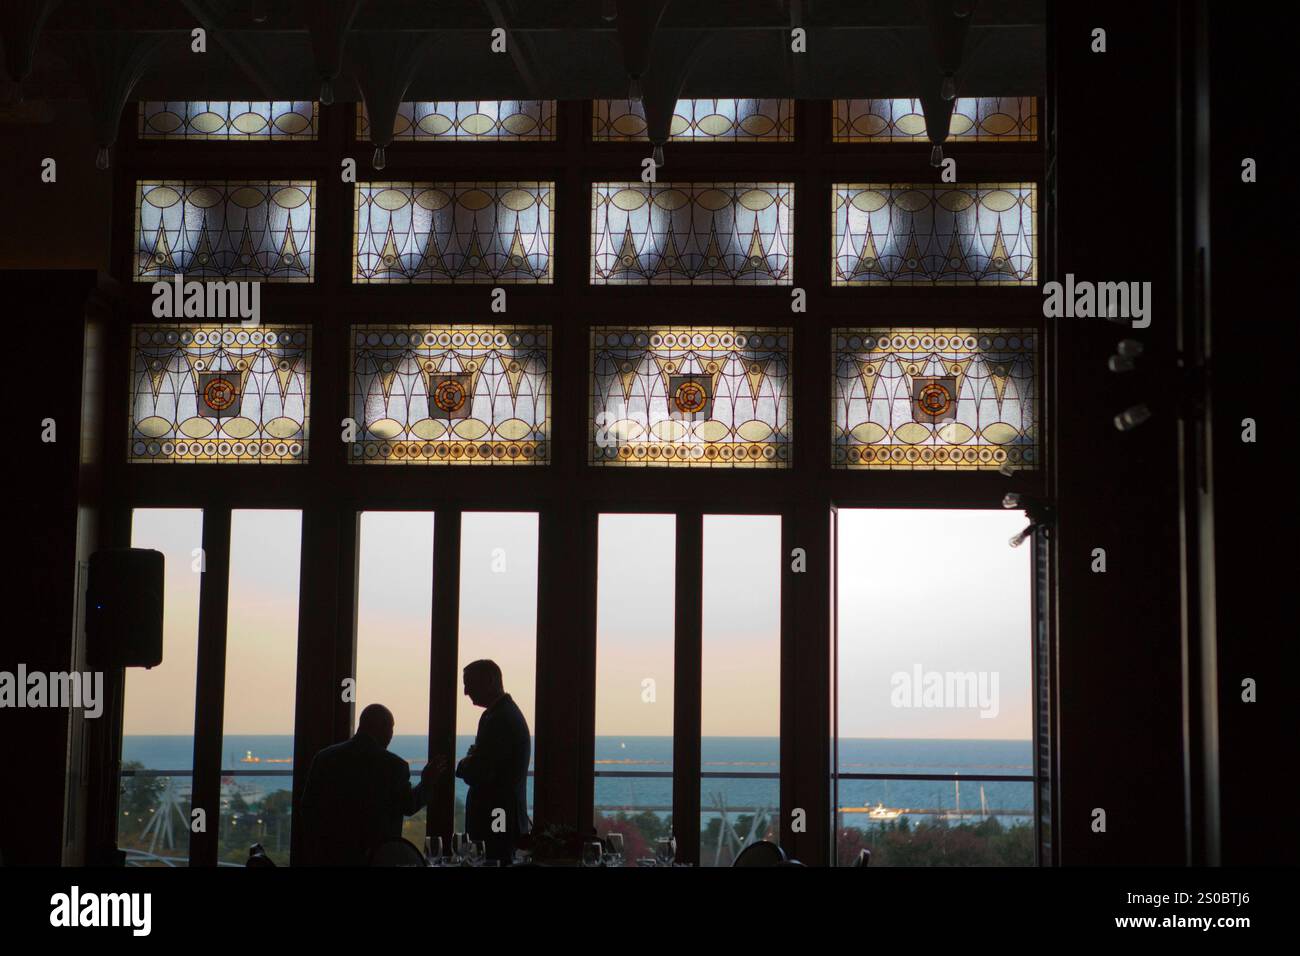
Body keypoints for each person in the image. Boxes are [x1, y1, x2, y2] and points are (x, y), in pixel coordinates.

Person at [299, 703, 444, 865]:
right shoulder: (394, 766)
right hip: (377, 857)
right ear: (382, 728)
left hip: (328, 855)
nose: (391, 736)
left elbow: (308, 808)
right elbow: (408, 805)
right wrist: (427, 783)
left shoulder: (324, 758)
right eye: (391, 729)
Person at [447, 660, 531, 865]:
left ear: (490, 681)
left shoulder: (498, 719)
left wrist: (464, 764)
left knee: (493, 860)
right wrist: (473, 759)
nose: (466, 691)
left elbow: (478, 771)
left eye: (470, 683)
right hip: (502, 817)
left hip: (495, 818)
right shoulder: (503, 714)